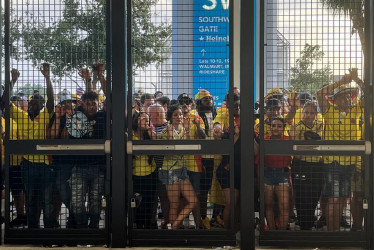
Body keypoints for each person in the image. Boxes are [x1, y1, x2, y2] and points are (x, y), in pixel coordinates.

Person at [9, 63, 56, 228]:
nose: (31, 104)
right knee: (31, 200)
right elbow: (4, 103)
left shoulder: (44, 116)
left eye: (36, 102)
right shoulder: (21, 116)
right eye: (31, 102)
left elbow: (51, 100)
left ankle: (49, 231)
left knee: (47, 200)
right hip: (27, 164)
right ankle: (33, 230)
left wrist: (48, 78)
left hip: (44, 165)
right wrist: (12, 81)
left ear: (42, 106)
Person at [317, 68, 364, 231]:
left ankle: (336, 232)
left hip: (350, 163)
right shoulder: (329, 112)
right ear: (335, 100)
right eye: (342, 96)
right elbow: (319, 93)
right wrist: (343, 81)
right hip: (333, 163)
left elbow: (368, 96)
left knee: (344, 198)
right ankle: (332, 233)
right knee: (334, 200)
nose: (347, 99)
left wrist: (357, 80)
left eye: (348, 96)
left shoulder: (356, 111)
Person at [67, 64, 107, 228]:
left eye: (94, 103)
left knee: (96, 203)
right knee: (76, 204)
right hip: (79, 167)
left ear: (98, 104)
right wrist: (89, 80)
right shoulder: (77, 115)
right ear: (82, 104)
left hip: (98, 167)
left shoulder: (103, 116)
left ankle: (95, 231)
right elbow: (89, 93)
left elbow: (110, 97)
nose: (91, 106)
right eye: (88, 103)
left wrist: (100, 76)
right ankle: (83, 229)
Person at [158, 104, 198, 229]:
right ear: (170, 117)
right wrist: (170, 136)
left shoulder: (183, 129)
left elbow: (190, 148)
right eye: (176, 115)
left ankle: (173, 226)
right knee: (174, 204)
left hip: (182, 169)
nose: (179, 117)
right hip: (169, 170)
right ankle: (173, 231)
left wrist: (187, 131)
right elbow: (168, 154)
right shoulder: (166, 131)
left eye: (180, 114)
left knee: (193, 201)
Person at [289, 101, 324, 230]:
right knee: (302, 194)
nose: (308, 115)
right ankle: (303, 221)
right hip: (301, 164)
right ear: (302, 113)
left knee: (315, 193)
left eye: (312, 112)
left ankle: (309, 218)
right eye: (306, 112)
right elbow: (295, 150)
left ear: (316, 114)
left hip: (317, 165)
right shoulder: (297, 127)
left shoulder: (320, 125)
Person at [256, 117, 291, 230]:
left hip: (283, 174)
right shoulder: (264, 140)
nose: (276, 128)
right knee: (268, 205)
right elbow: (259, 163)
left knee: (284, 206)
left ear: (283, 128)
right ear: (270, 128)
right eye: (274, 126)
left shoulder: (288, 140)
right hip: (267, 174)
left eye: (279, 126)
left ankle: (281, 234)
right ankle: (271, 232)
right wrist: (259, 180)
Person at [48, 89, 77, 228]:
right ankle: (58, 220)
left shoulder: (77, 117)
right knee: (56, 192)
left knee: (63, 187)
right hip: (56, 160)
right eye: (63, 103)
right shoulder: (56, 116)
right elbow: (52, 137)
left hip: (72, 161)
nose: (66, 106)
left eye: (69, 103)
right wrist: (59, 117)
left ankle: (75, 214)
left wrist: (69, 119)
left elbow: (66, 138)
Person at [177, 93, 206, 229]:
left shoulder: (197, 117)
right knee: (180, 196)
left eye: (187, 102)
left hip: (194, 162)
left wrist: (198, 126)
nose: (185, 104)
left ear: (192, 104)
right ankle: (180, 224)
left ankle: (198, 225)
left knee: (196, 195)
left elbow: (203, 137)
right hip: (178, 163)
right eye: (182, 102)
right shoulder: (175, 117)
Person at [214, 92, 241, 230]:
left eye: (239, 105)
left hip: (243, 168)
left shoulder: (248, 119)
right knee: (230, 203)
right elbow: (218, 128)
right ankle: (228, 232)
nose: (237, 108)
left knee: (239, 204)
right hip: (227, 167)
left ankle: (237, 230)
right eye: (234, 105)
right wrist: (236, 134)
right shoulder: (223, 116)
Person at [194, 90, 217, 229]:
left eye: (209, 98)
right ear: (199, 103)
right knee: (204, 190)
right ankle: (203, 218)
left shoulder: (218, 114)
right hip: (204, 158)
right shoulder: (197, 116)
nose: (208, 100)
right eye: (204, 99)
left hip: (218, 156)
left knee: (217, 189)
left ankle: (215, 217)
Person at [131, 111, 158, 228]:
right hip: (135, 174)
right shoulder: (129, 134)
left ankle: (147, 226)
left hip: (150, 172)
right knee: (137, 202)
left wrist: (148, 130)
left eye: (147, 119)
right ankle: (137, 225)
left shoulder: (149, 134)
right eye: (142, 119)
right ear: (136, 120)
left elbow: (158, 143)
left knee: (149, 201)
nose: (145, 121)